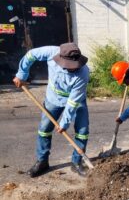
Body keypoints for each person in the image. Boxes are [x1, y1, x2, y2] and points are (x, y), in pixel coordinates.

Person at [12, 43, 90, 177]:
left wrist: (64, 123)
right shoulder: (50, 52)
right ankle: (42, 161)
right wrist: (21, 74)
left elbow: (72, 102)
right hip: (53, 99)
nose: (72, 69)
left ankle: (76, 162)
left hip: (76, 101)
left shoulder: (83, 72)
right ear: (60, 58)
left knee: (82, 131)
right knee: (44, 130)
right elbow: (30, 55)